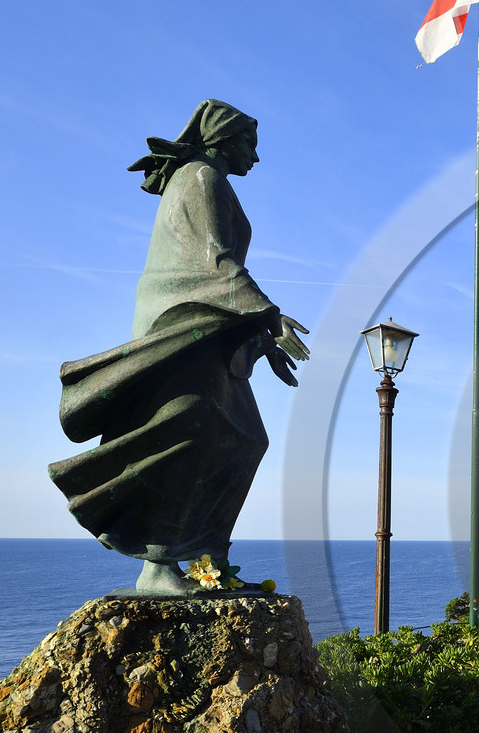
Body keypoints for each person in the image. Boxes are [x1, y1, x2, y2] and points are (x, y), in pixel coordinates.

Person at [48, 100, 310, 594]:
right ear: (222, 139)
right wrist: (269, 317)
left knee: (245, 438)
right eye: (250, 143)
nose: (256, 156)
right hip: (181, 323)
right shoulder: (199, 178)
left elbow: (218, 265)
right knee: (192, 433)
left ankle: (209, 566)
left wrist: (259, 333)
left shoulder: (211, 181)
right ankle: (158, 566)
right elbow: (214, 258)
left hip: (209, 326)